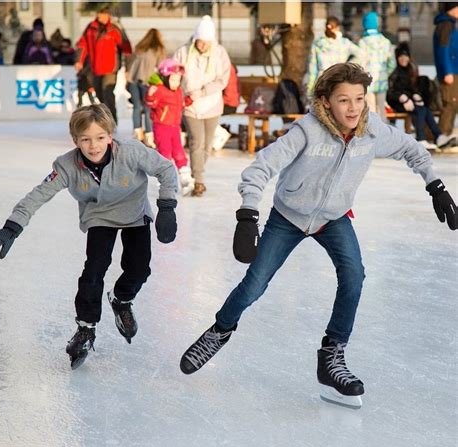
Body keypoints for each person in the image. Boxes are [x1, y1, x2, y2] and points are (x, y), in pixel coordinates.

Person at [179, 63, 457, 409]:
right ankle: (219, 330)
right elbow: (261, 167)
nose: (353, 108)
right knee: (255, 284)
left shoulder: (372, 132)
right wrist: (248, 214)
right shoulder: (306, 130)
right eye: (344, 100)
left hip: (333, 217)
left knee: (354, 276)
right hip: (288, 216)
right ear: (325, 102)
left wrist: (435, 184)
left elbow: (412, 149)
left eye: (359, 99)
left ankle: (332, 356)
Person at [0, 104, 178, 369]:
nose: (94, 146)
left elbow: (166, 169)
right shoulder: (66, 165)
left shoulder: (131, 151)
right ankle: (86, 327)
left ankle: (121, 299)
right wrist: (13, 225)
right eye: (85, 139)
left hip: (134, 213)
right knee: (94, 270)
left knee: (139, 268)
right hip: (98, 215)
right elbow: (40, 193)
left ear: (110, 136)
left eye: (100, 137)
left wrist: (167, 206)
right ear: (75, 140)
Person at [173, 15, 231, 197]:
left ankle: (195, 171)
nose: (202, 45)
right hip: (190, 107)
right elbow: (173, 73)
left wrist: (204, 91)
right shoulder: (183, 52)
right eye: (200, 41)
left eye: (206, 42)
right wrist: (179, 90)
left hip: (212, 105)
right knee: (196, 142)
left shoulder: (219, 53)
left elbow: (223, 79)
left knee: (206, 146)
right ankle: (199, 181)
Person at [387, 42, 455, 150]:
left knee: (425, 109)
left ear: (409, 57)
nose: (403, 59)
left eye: (405, 56)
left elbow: (413, 88)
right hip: (398, 102)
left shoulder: (411, 70)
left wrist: (416, 95)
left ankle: (438, 136)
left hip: (409, 101)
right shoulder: (395, 74)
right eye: (400, 56)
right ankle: (420, 138)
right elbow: (391, 93)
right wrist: (403, 98)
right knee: (420, 110)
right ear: (397, 58)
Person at [145, 58, 195, 196]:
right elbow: (151, 104)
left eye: (178, 80)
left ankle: (185, 178)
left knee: (179, 152)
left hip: (174, 127)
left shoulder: (178, 91)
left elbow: (181, 104)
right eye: (173, 80)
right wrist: (150, 95)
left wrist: (189, 99)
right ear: (165, 78)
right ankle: (166, 182)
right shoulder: (159, 90)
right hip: (162, 127)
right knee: (165, 153)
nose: (176, 83)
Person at [75, 6, 132, 124]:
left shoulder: (114, 29)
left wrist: (128, 67)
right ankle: (105, 118)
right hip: (95, 68)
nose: (99, 15)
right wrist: (79, 60)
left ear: (108, 15)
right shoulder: (90, 28)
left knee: (107, 92)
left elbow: (126, 48)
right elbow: (82, 44)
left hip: (110, 68)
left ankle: (112, 120)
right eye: (99, 13)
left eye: (102, 13)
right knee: (99, 94)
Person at [126, 28, 166, 147]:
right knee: (148, 109)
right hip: (148, 82)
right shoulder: (158, 50)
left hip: (133, 80)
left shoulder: (140, 48)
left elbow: (130, 64)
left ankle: (137, 133)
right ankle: (149, 135)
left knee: (137, 107)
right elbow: (161, 68)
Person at [306, 16, 362, 96]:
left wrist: (310, 89)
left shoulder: (317, 44)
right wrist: (347, 65)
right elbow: (361, 54)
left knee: (323, 106)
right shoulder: (344, 43)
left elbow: (312, 69)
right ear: (338, 28)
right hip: (340, 79)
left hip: (322, 81)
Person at [358, 11, 395, 121]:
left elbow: (360, 64)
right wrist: (385, 73)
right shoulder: (385, 42)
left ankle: (372, 135)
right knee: (381, 110)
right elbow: (392, 63)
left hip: (367, 81)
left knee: (370, 110)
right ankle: (384, 135)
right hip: (382, 80)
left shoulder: (363, 42)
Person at [433, 2, 458, 136]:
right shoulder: (446, 25)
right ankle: (442, 135)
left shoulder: (452, 24)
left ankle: (445, 134)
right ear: (452, 9)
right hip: (450, 72)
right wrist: (447, 71)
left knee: (454, 103)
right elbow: (442, 50)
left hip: (455, 70)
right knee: (451, 103)